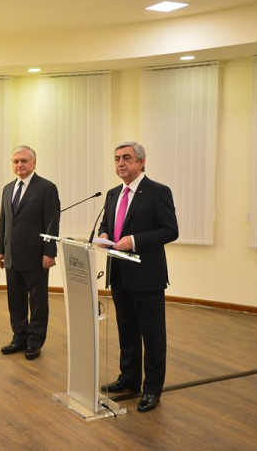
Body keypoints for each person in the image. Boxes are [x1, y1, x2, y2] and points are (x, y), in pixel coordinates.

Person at [97, 141, 178, 412]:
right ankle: (129, 378)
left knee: (152, 336)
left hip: (147, 276)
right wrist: (105, 234)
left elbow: (170, 230)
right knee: (127, 329)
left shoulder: (157, 192)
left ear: (141, 162)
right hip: (119, 274)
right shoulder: (113, 194)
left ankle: (152, 388)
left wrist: (133, 240)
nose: (120, 163)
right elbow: (107, 223)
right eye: (116, 158)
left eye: (126, 158)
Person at [0, 145, 60, 360]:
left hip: (36, 256)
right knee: (15, 299)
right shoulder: (8, 188)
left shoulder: (46, 188)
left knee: (38, 302)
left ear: (34, 163)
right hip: (11, 255)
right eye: (16, 161)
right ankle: (19, 338)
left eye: (24, 161)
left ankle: (35, 341)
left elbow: (52, 222)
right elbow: (4, 222)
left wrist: (49, 252)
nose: (19, 165)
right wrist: (0, 249)